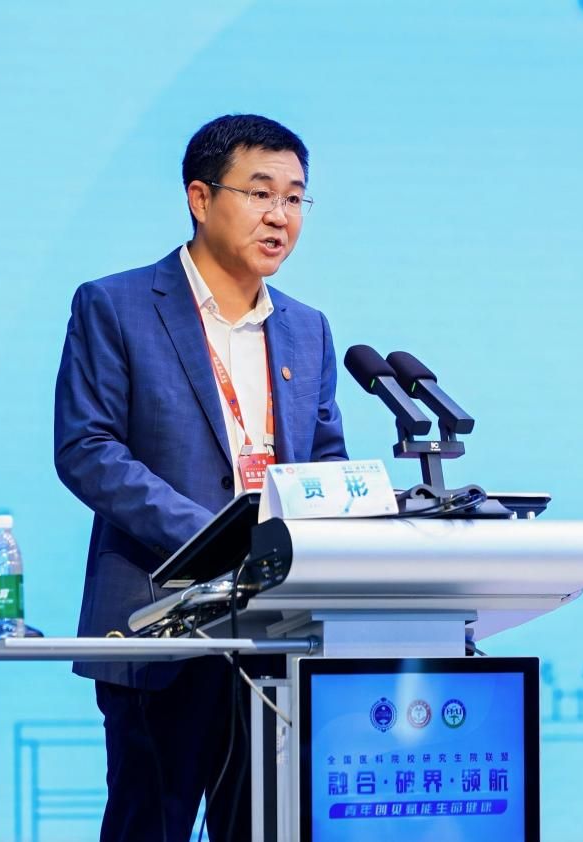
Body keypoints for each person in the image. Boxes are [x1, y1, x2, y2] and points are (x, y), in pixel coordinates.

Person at [54, 114, 348, 841]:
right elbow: (87, 448)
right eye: (260, 193)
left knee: (265, 827)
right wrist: (215, 538)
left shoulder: (307, 328)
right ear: (200, 197)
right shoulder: (116, 305)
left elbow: (326, 461)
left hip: (278, 630)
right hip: (159, 620)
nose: (279, 216)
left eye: (294, 198)